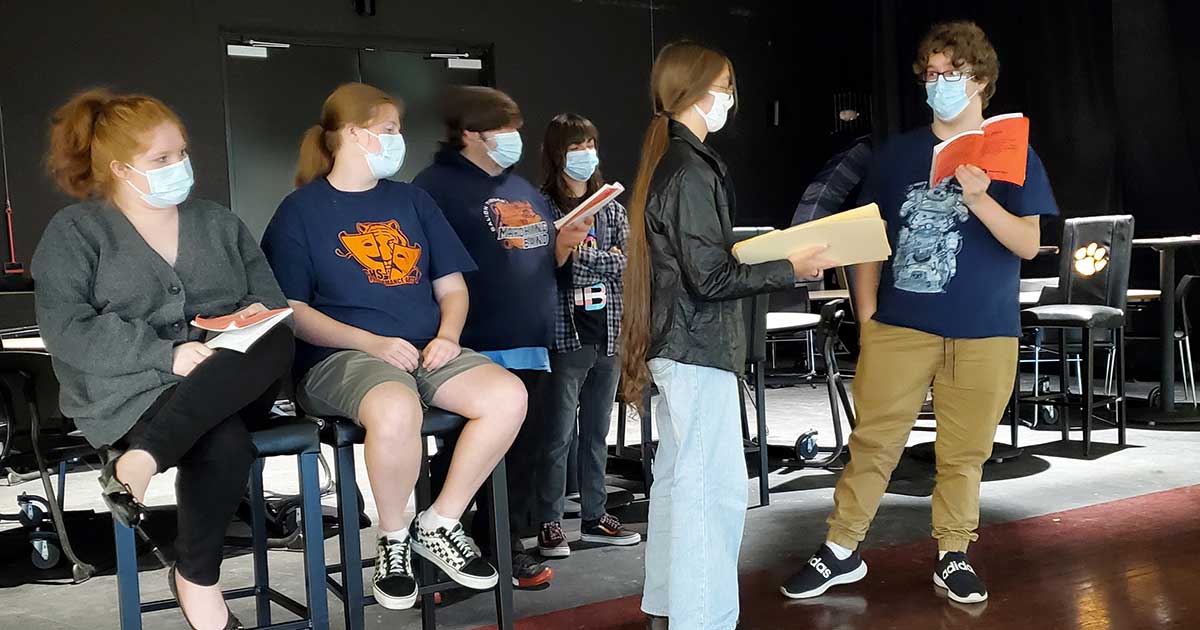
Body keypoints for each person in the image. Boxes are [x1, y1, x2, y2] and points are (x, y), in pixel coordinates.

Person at [780, 20, 1058, 605]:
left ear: (980, 79)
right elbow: (868, 239)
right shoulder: (897, 153)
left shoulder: (1013, 153)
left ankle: (954, 552)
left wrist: (979, 198)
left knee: (965, 453)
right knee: (873, 441)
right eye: (931, 74)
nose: (939, 84)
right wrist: (868, 315)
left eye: (951, 73)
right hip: (901, 325)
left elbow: (1029, 243)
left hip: (984, 329)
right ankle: (840, 548)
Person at [260, 82, 528, 610]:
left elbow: (452, 288)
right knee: (395, 406)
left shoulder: (413, 200)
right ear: (354, 133)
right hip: (340, 358)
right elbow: (292, 311)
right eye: (389, 129)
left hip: (425, 349)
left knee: (508, 396)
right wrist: (371, 343)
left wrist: (448, 337)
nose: (397, 140)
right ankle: (393, 538)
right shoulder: (300, 211)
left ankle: (440, 522)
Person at [33, 89, 294, 630]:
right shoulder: (75, 232)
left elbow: (269, 303)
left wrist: (238, 324)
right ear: (119, 168)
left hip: (233, 375)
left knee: (276, 337)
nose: (180, 166)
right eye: (161, 159)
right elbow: (67, 331)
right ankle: (198, 582)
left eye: (181, 153)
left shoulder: (218, 222)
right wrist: (166, 355)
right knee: (223, 445)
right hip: (132, 391)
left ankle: (142, 461)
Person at [619, 42, 834, 630]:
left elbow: (698, 264)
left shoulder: (673, 161)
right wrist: (790, 267)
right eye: (725, 86)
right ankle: (704, 618)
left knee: (679, 479)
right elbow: (710, 277)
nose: (731, 98)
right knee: (709, 489)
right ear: (694, 92)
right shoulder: (688, 169)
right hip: (696, 345)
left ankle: (670, 603)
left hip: (681, 344)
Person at [413, 86, 593, 588]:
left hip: (530, 338)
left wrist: (563, 246)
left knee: (523, 454)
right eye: (504, 130)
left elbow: (541, 261)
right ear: (470, 133)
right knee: (461, 455)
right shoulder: (435, 188)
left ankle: (503, 545)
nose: (515, 138)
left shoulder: (521, 188)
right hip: (472, 345)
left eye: (517, 128)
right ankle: (433, 552)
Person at [535, 113, 639, 559]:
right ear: (556, 153)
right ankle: (549, 522)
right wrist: (585, 259)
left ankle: (596, 516)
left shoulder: (611, 207)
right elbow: (549, 267)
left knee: (597, 434)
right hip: (564, 337)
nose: (585, 154)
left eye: (590, 145)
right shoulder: (542, 208)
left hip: (608, 335)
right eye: (575, 147)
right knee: (557, 436)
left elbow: (627, 264)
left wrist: (578, 257)